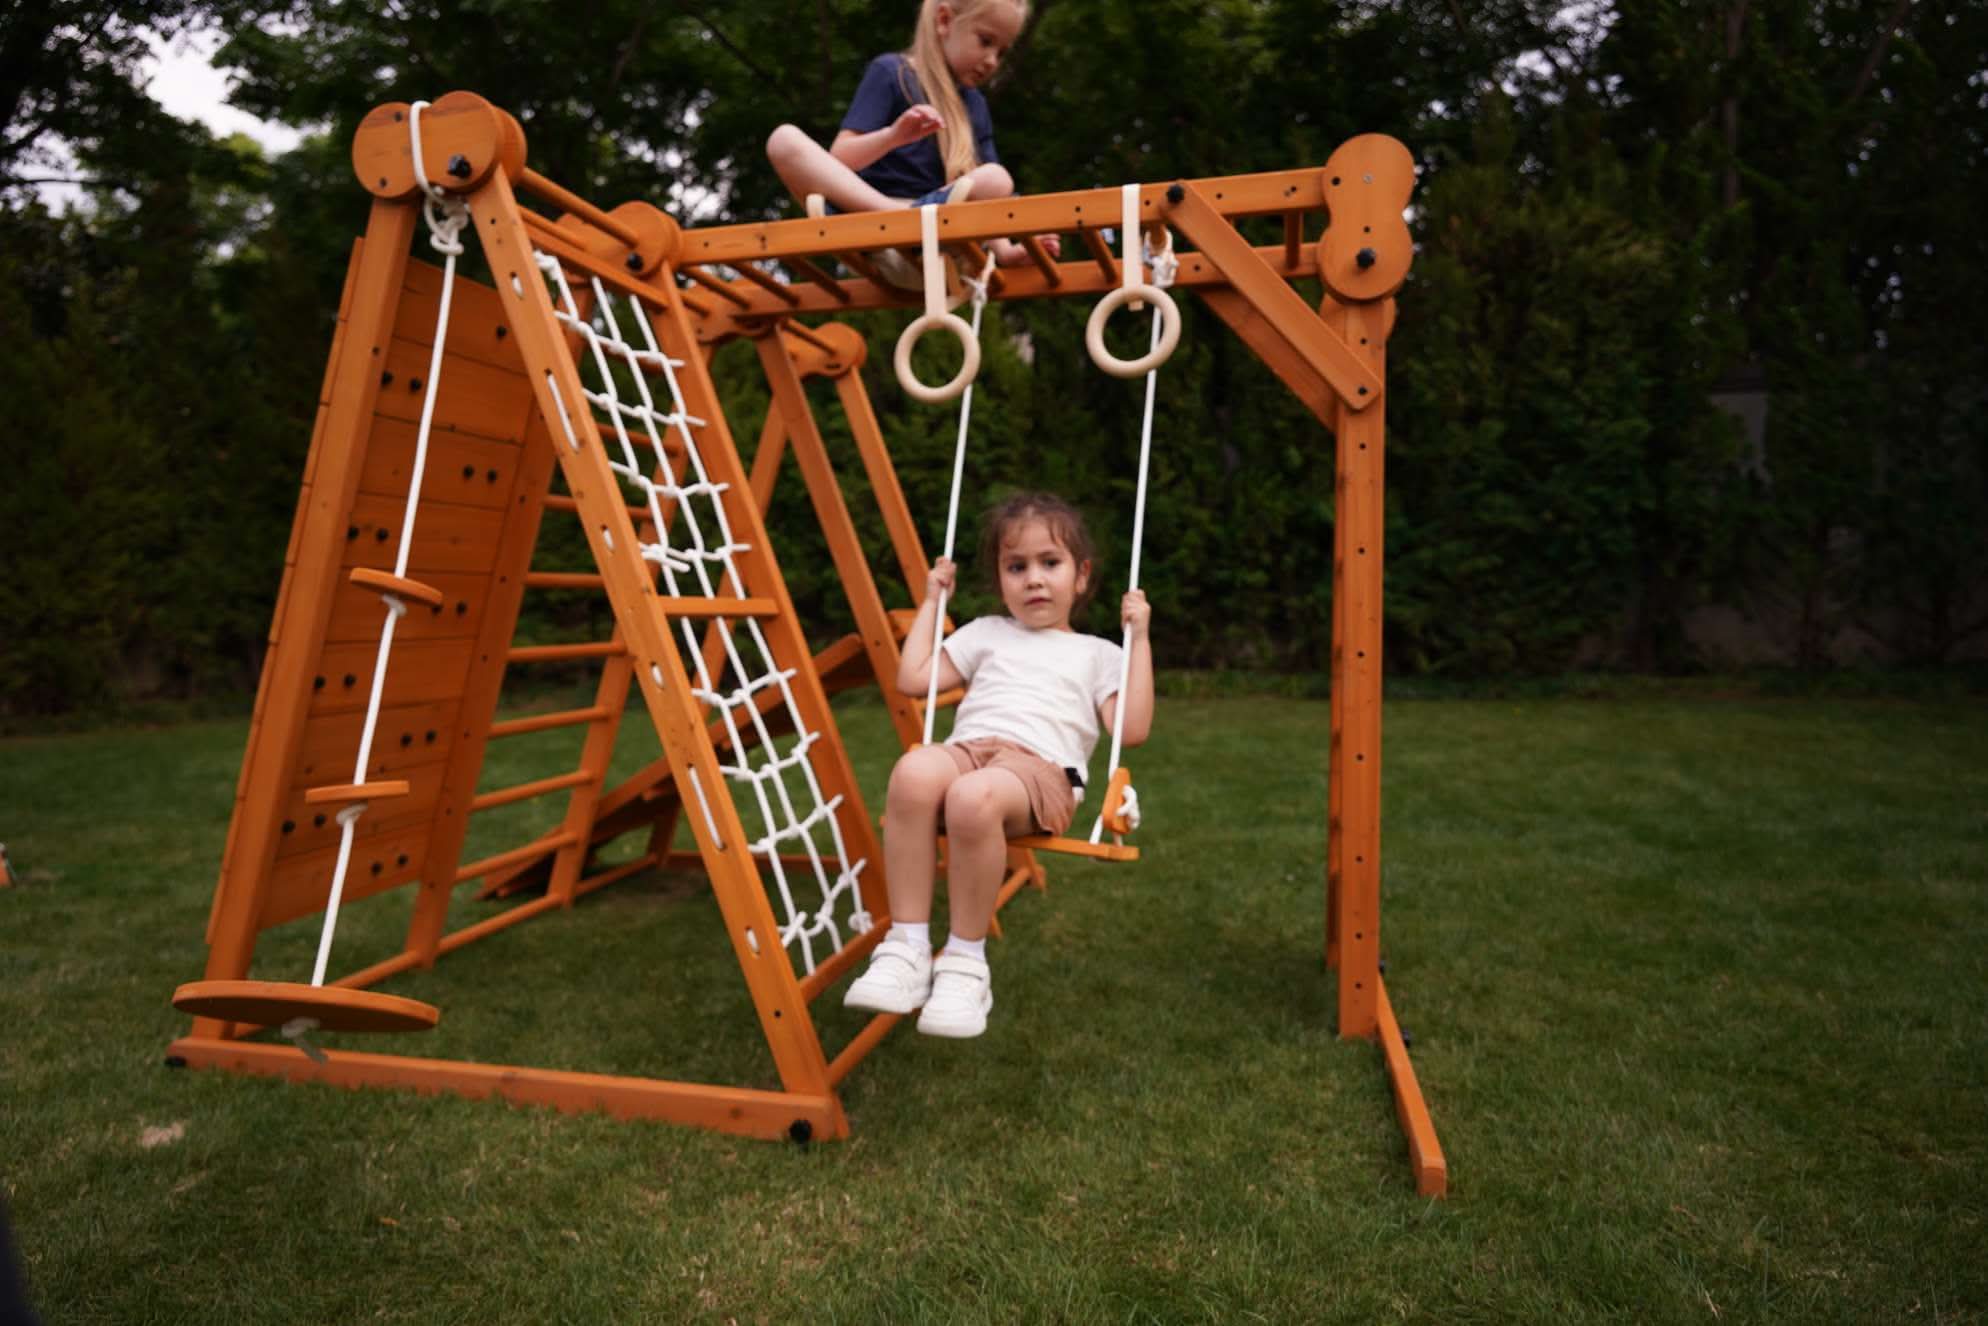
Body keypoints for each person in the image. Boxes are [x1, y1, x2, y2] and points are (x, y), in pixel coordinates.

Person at [844, 492, 1153, 1038]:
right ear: (1000, 578)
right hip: (972, 750)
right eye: (1017, 566)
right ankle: (908, 948)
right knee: (912, 773)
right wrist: (931, 604)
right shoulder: (985, 632)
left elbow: (1130, 730)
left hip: (1043, 773)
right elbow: (912, 679)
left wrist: (1140, 639)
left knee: (973, 798)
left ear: (1080, 577)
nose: (1033, 578)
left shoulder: (1099, 653)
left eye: (1049, 563)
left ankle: (965, 963)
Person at [763, 0, 1061, 278]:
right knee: (783, 140)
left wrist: (1007, 252)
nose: (993, 60)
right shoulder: (892, 72)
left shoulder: (976, 106)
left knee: (997, 179)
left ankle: (909, 222)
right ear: (944, 20)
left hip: (938, 243)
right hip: (873, 234)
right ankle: (898, 218)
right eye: (985, 41)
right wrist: (892, 137)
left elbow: (993, 199)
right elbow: (840, 159)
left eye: (1002, 52)